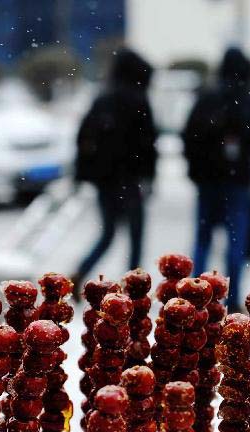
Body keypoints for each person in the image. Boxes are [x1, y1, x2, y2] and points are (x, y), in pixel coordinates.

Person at [182, 47, 250, 312]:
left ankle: (195, 295)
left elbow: (190, 136)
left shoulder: (208, 98)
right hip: (238, 181)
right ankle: (233, 295)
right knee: (236, 243)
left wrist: (196, 170)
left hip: (208, 180)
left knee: (202, 239)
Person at [72, 48, 158, 289]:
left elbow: (84, 137)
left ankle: (79, 274)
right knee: (136, 234)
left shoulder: (104, 99)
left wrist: (85, 172)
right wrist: (150, 175)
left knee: (108, 233)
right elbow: (148, 142)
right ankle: (133, 287)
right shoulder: (139, 99)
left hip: (106, 178)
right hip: (131, 178)